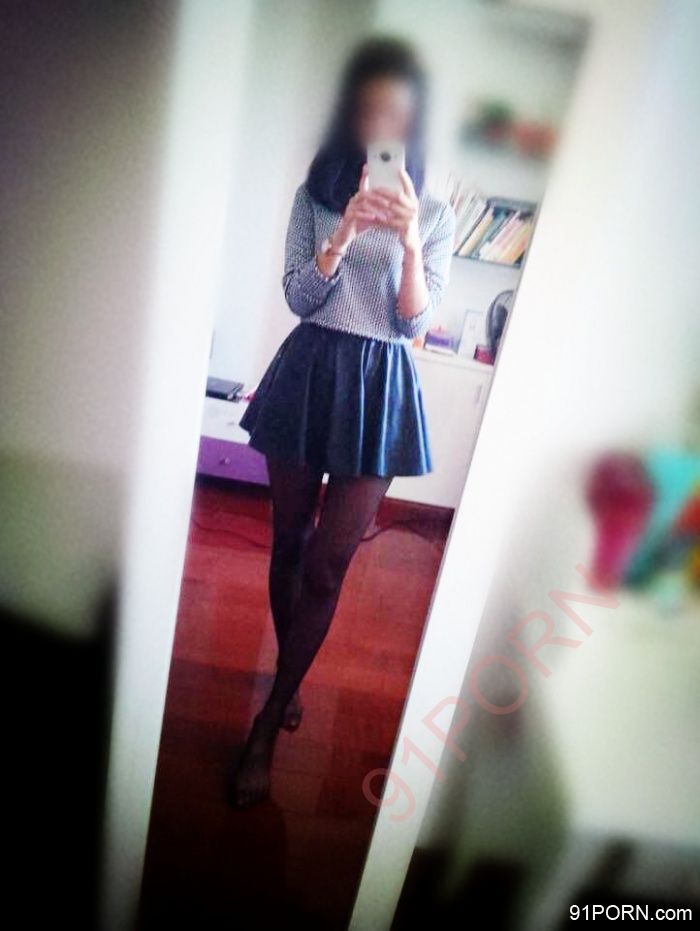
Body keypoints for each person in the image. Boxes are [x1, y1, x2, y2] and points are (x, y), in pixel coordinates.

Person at [228, 35, 456, 808]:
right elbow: (299, 296)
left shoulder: (437, 214)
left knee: (329, 565)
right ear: (350, 114)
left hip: (380, 385)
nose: (384, 124)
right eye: (371, 109)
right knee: (289, 542)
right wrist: (346, 232)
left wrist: (411, 242)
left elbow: (412, 324)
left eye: (399, 113)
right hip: (309, 370)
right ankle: (288, 678)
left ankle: (268, 720)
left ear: (415, 121)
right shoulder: (314, 194)